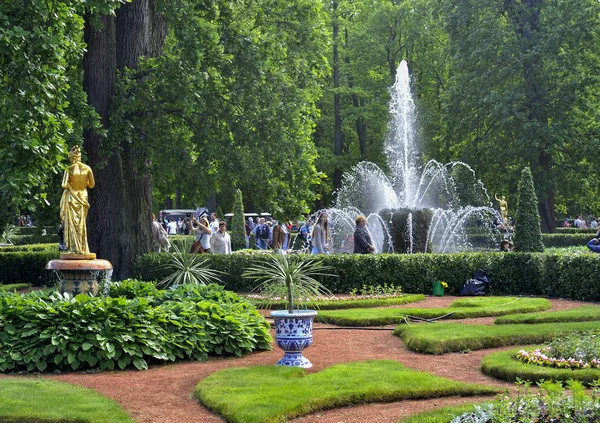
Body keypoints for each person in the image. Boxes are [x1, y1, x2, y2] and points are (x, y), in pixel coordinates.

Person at [60, 145, 95, 255]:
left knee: (73, 224)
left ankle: (75, 248)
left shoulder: (69, 169)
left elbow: (64, 185)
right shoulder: (87, 168)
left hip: (72, 198)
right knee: (81, 223)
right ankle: (83, 248)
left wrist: (72, 184)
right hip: (83, 197)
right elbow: (92, 185)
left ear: (72, 158)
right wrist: (84, 183)